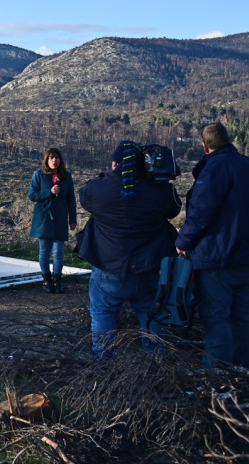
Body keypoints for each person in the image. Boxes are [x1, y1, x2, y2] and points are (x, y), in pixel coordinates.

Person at [77, 140, 182, 358]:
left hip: (109, 266)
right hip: (147, 268)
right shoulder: (160, 192)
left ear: (116, 163)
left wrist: (108, 176)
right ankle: (157, 365)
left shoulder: (100, 190)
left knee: (103, 314)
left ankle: (104, 365)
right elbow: (174, 208)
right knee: (151, 316)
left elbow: (84, 195)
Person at [175, 123, 249, 368]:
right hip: (247, 257)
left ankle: (217, 379)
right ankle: (242, 373)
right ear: (228, 140)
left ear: (205, 146)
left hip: (217, 257)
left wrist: (184, 242)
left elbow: (202, 212)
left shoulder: (214, 168)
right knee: (240, 318)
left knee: (217, 319)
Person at [29, 147, 77, 293]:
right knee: (44, 251)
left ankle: (58, 281)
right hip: (43, 218)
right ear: (46, 160)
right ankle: (46, 280)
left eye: (56, 157)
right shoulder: (38, 175)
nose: (54, 160)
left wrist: (72, 219)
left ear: (60, 160)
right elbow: (33, 195)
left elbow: (71, 200)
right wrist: (49, 192)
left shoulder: (66, 176)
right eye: (51, 157)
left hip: (60, 218)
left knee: (58, 252)